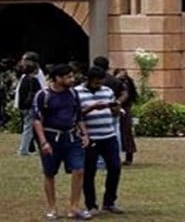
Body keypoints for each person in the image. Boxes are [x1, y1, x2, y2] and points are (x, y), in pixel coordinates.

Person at [32, 64, 90, 221]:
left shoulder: (73, 93)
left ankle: (74, 207)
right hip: (51, 138)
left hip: (71, 137)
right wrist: (43, 142)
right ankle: (52, 208)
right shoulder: (43, 95)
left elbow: (78, 115)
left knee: (78, 170)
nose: (71, 80)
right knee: (50, 173)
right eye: (67, 77)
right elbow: (37, 120)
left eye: (72, 76)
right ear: (57, 78)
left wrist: (84, 134)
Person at [76, 66, 124, 216]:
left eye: (101, 82)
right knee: (89, 171)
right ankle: (91, 204)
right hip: (90, 137)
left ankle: (109, 202)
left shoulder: (107, 91)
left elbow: (114, 112)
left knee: (115, 167)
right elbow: (75, 114)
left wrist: (115, 108)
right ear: (89, 80)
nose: (99, 85)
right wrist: (91, 108)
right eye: (96, 83)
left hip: (108, 136)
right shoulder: (77, 93)